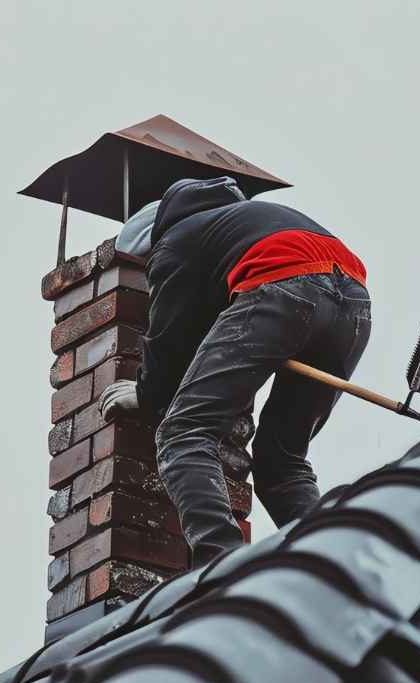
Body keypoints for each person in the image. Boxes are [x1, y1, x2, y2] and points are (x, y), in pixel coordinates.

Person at [101, 176, 371, 565]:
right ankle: (332, 567)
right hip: (354, 304)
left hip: (283, 285)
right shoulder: (241, 224)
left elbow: (167, 337)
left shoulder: (176, 240)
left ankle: (225, 566)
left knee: (184, 432)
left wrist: (145, 393)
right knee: (283, 461)